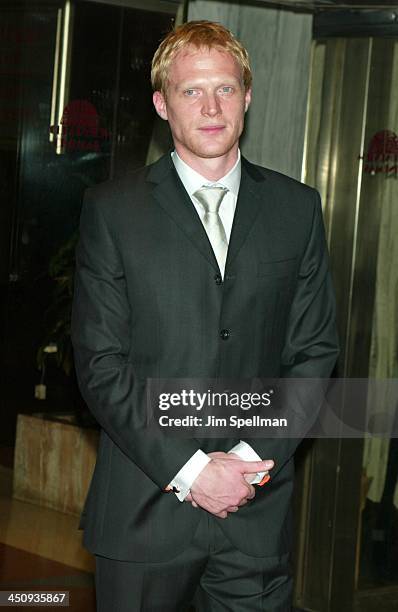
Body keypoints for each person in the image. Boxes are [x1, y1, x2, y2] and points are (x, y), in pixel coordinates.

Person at [71, 20, 339, 612]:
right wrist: (192, 471)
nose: (211, 107)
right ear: (162, 103)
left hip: (256, 517)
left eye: (225, 88)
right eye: (192, 91)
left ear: (247, 95)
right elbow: (100, 364)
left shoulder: (297, 209)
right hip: (144, 514)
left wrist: (245, 464)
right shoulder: (113, 211)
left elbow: (314, 352)